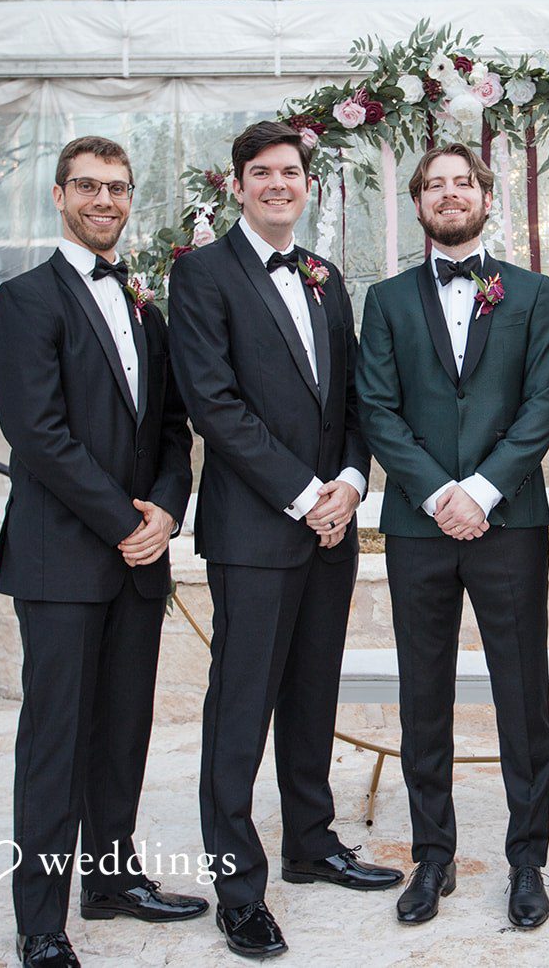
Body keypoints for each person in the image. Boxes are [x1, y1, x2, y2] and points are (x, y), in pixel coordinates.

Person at [167, 120, 401, 959]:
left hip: (330, 528)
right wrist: (305, 493)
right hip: (254, 529)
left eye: (290, 172)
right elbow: (213, 404)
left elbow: (349, 400)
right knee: (241, 708)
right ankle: (238, 887)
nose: (277, 184)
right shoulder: (198, 276)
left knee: (312, 694)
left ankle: (312, 841)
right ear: (237, 185)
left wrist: (350, 481)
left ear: (307, 185)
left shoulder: (326, 276)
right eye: (260, 172)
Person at [0, 135, 206, 968]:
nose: (105, 201)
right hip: (61, 559)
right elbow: (37, 434)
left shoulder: (146, 307)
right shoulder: (25, 300)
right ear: (58, 195)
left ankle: (112, 880)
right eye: (88, 186)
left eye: (117, 187)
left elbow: (173, 428)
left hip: (139, 556)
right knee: (56, 740)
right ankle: (40, 920)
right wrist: (124, 518)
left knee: (122, 729)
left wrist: (167, 513)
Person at [356, 142, 549, 929]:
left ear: (487, 196)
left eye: (462, 183)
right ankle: (431, 854)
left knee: (523, 694)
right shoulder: (386, 299)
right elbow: (377, 407)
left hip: (508, 520)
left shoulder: (533, 292)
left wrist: (480, 489)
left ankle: (526, 858)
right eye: (433, 186)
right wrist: (439, 492)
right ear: (417, 205)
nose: (449, 195)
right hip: (418, 523)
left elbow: (545, 401)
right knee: (423, 695)